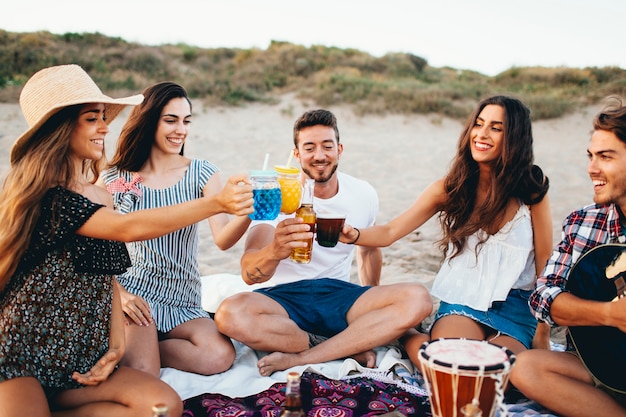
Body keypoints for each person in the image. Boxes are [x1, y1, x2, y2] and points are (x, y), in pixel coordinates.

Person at [0, 65, 253, 416]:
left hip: (80, 353)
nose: (105, 127)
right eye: (93, 118)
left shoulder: (111, 193)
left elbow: (106, 274)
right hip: (24, 352)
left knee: (163, 406)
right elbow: (128, 227)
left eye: (186, 121)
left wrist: (116, 349)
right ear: (60, 128)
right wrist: (216, 203)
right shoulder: (56, 195)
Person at [214, 109, 433, 376]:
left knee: (419, 299)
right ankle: (339, 345)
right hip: (283, 301)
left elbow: (368, 252)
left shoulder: (363, 193)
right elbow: (249, 273)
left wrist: (371, 306)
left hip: (339, 295)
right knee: (229, 315)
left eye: (327, 146)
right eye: (309, 148)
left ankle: (303, 356)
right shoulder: (276, 196)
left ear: (339, 149)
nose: (319, 155)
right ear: (296, 154)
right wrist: (275, 251)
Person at [342, 95, 552, 364]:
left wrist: (544, 331)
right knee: (451, 368)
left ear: (515, 138)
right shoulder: (452, 187)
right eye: (478, 124)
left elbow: (546, 263)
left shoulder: (532, 187)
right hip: (464, 300)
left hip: (515, 307)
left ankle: (417, 339)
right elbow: (391, 231)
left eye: (496, 128)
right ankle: (407, 334)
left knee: (500, 376)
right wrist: (352, 234)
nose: (482, 134)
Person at [101, 81, 251, 377]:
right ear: (148, 120)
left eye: (186, 121)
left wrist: (251, 210)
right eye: (170, 120)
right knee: (143, 372)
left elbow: (222, 240)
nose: (180, 129)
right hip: (136, 292)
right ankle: (138, 350)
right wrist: (119, 294)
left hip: (183, 298)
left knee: (218, 356)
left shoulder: (201, 173)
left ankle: (147, 349)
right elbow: (97, 245)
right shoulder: (120, 178)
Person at [509, 97, 626, 416]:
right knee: (525, 368)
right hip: (599, 367)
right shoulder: (583, 222)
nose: (592, 168)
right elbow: (543, 297)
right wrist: (609, 315)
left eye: (605, 157)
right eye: (591, 156)